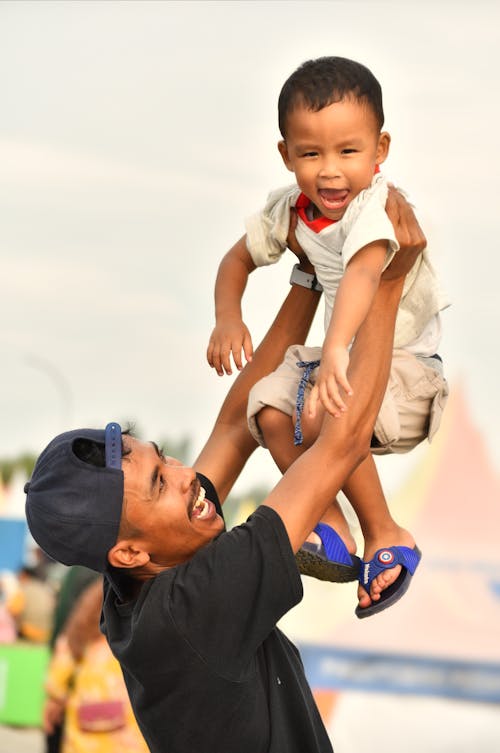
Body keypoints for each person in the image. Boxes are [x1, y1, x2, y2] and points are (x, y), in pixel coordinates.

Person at [25, 195, 424, 753]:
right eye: (160, 483)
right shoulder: (191, 608)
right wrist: (386, 279)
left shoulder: (148, 579)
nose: (187, 474)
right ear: (130, 553)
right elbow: (342, 443)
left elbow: (238, 426)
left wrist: (308, 273)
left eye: (163, 458)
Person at [207, 56, 449, 617]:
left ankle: (385, 532)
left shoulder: (375, 206)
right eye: (311, 153)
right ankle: (331, 526)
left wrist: (337, 348)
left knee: (319, 410)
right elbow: (235, 259)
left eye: (349, 151)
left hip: (406, 369)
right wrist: (228, 316)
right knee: (267, 410)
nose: (330, 171)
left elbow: (366, 274)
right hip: (343, 358)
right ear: (286, 154)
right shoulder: (289, 210)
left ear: (380, 150)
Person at [43, 577, 149, 753]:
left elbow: (57, 681)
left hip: (84, 727)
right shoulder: (134, 638)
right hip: (127, 732)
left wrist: (55, 701)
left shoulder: (77, 637)